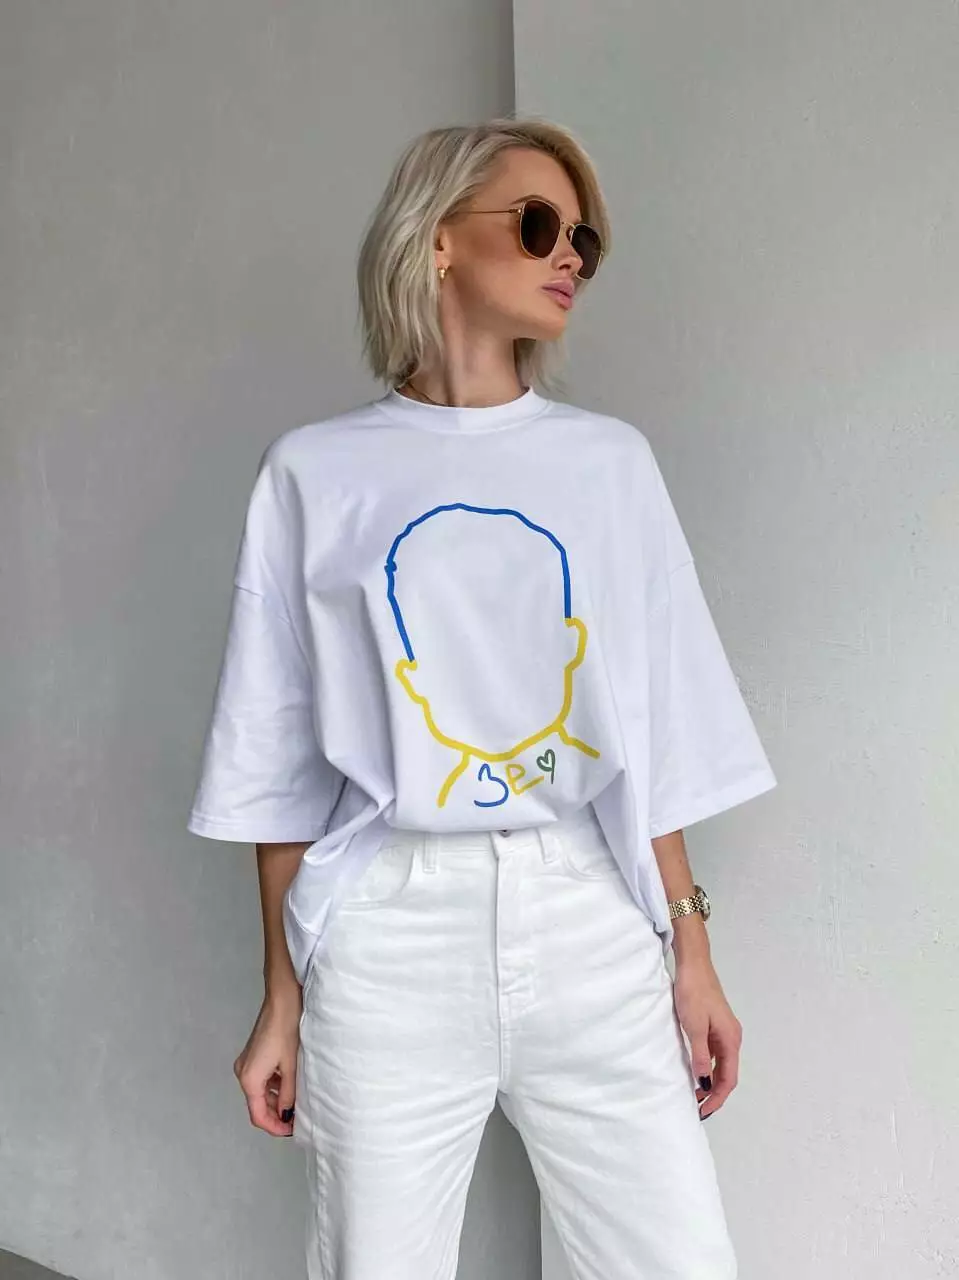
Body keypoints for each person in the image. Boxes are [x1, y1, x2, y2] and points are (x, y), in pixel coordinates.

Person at [186, 115, 778, 1279]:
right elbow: (277, 756)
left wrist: (691, 948)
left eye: (583, 241)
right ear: (437, 239)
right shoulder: (314, 472)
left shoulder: (608, 464)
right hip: (388, 925)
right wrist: (280, 995)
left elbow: (651, 729)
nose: (568, 259)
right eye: (538, 224)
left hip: (588, 909)